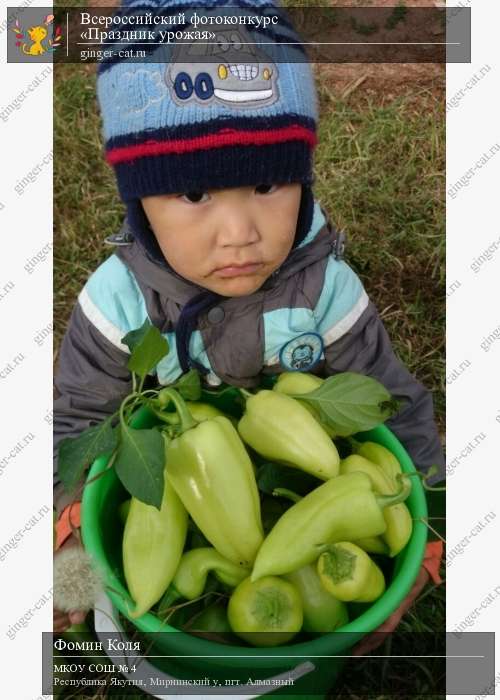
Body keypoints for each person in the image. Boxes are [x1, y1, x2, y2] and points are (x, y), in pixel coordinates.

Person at [53, 0, 444, 643]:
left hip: (294, 485)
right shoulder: (116, 307)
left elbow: (392, 406)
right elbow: (78, 425)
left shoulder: (325, 290)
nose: (239, 235)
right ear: (139, 201)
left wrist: (425, 542)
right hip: (178, 488)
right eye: (194, 195)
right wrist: (71, 541)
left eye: (268, 185)